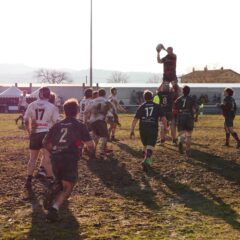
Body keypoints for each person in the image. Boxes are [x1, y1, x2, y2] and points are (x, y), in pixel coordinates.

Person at [42, 98, 95, 222]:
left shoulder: (57, 125)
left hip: (55, 157)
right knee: (68, 187)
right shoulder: (79, 125)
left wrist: (54, 151)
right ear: (77, 111)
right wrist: (91, 153)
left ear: (64, 111)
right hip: (69, 158)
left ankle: (54, 187)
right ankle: (54, 209)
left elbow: (45, 142)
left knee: (61, 180)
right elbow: (90, 144)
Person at [24, 87, 59, 189]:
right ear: (49, 95)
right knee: (47, 158)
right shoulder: (52, 107)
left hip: (35, 133)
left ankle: (29, 179)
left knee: (32, 158)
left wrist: (29, 132)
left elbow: (26, 121)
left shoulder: (32, 105)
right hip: (46, 133)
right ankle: (50, 179)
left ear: (39, 94)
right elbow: (56, 122)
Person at [130, 90, 167, 172]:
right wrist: (165, 127)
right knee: (150, 146)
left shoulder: (141, 106)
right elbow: (163, 118)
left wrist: (132, 130)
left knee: (145, 145)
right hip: (152, 128)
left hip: (143, 128)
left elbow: (135, 119)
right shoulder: (157, 106)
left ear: (144, 98)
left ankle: (148, 162)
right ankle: (146, 161)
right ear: (152, 97)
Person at [36, 92, 60, 179]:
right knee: (48, 155)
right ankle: (50, 177)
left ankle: (41, 170)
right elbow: (56, 121)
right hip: (48, 132)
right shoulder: (53, 108)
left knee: (45, 153)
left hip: (37, 131)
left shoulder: (38, 106)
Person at [84, 89, 114, 158]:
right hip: (101, 121)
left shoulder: (92, 101)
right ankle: (102, 152)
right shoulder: (106, 101)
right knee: (105, 136)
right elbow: (110, 112)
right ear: (105, 94)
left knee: (96, 136)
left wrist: (85, 121)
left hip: (92, 121)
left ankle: (92, 150)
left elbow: (86, 111)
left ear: (98, 94)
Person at [174, 85, 197, 157]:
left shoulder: (178, 99)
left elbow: (175, 109)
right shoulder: (192, 99)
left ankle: (181, 140)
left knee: (182, 133)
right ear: (189, 91)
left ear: (182, 91)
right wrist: (196, 117)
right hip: (189, 117)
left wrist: (177, 117)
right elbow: (194, 110)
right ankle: (187, 151)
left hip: (181, 116)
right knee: (189, 135)